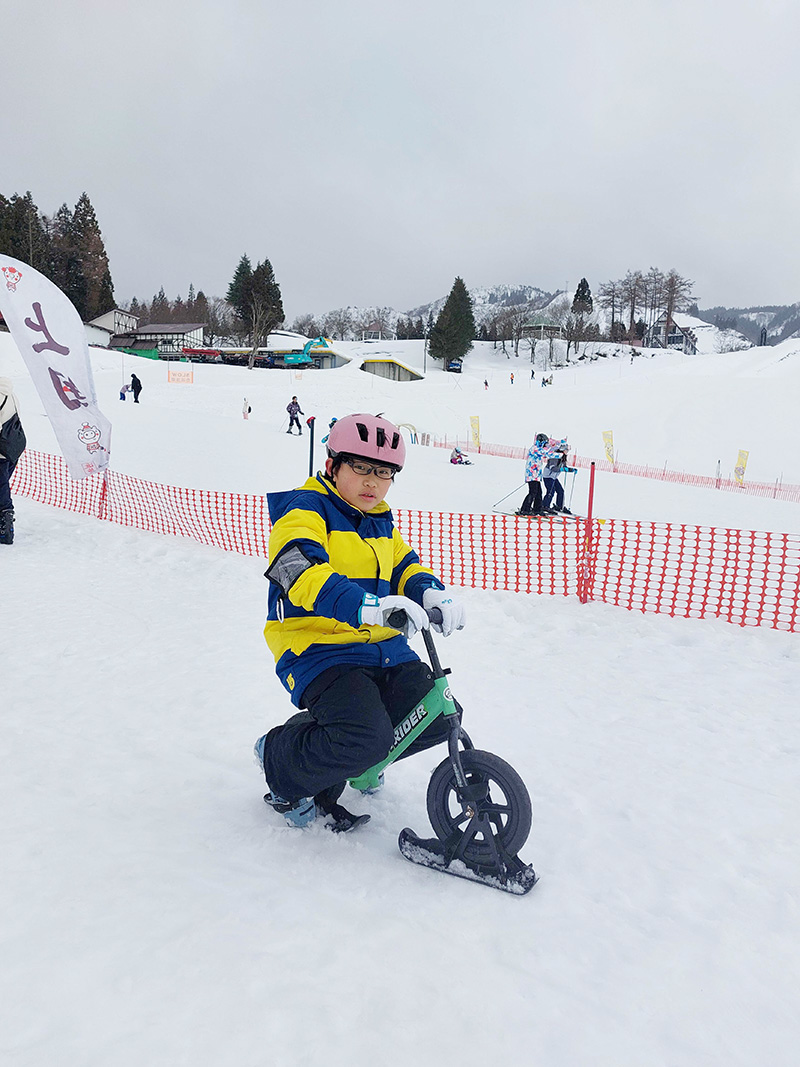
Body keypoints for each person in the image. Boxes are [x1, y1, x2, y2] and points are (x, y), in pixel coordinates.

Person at [254, 412, 466, 827]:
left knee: (438, 715)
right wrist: (364, 605)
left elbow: (404, 565)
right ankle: (280, 756)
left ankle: (361, 757)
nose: (373, 482)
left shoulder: (379, 518)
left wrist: (429, 591)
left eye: (385, 473)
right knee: (365, 737)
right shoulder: (304, 509)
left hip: (381, 646)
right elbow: (297, 570)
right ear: (333, 465)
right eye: (362, 468)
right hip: (319, 649)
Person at [0, 377, 26, 546]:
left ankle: (5, 527)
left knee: (1, 491)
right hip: (12, 448)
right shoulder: (8, 392)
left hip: (1, 452)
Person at [517, 432, 552, 516]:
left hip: (536, 476)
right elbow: (546, 453)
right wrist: (560, 454)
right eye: (545, 443)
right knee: (532, 492)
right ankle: (525, 509)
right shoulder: (535, 449)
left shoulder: (539, 449)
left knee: (539, 493)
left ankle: (537, 509)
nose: (545, 445)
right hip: (531, 476)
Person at [541, 442, 577, 514]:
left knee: (560, 491)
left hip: (553, 477)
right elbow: (552, 468)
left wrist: (571, 470)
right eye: (566, 450)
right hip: (548, 476)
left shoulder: (563, 458)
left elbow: (564, 467)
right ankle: (544, 505)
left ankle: (559, 506)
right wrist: (562, 469)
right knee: (551, 491)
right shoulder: (555, 457)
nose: (567, 452)